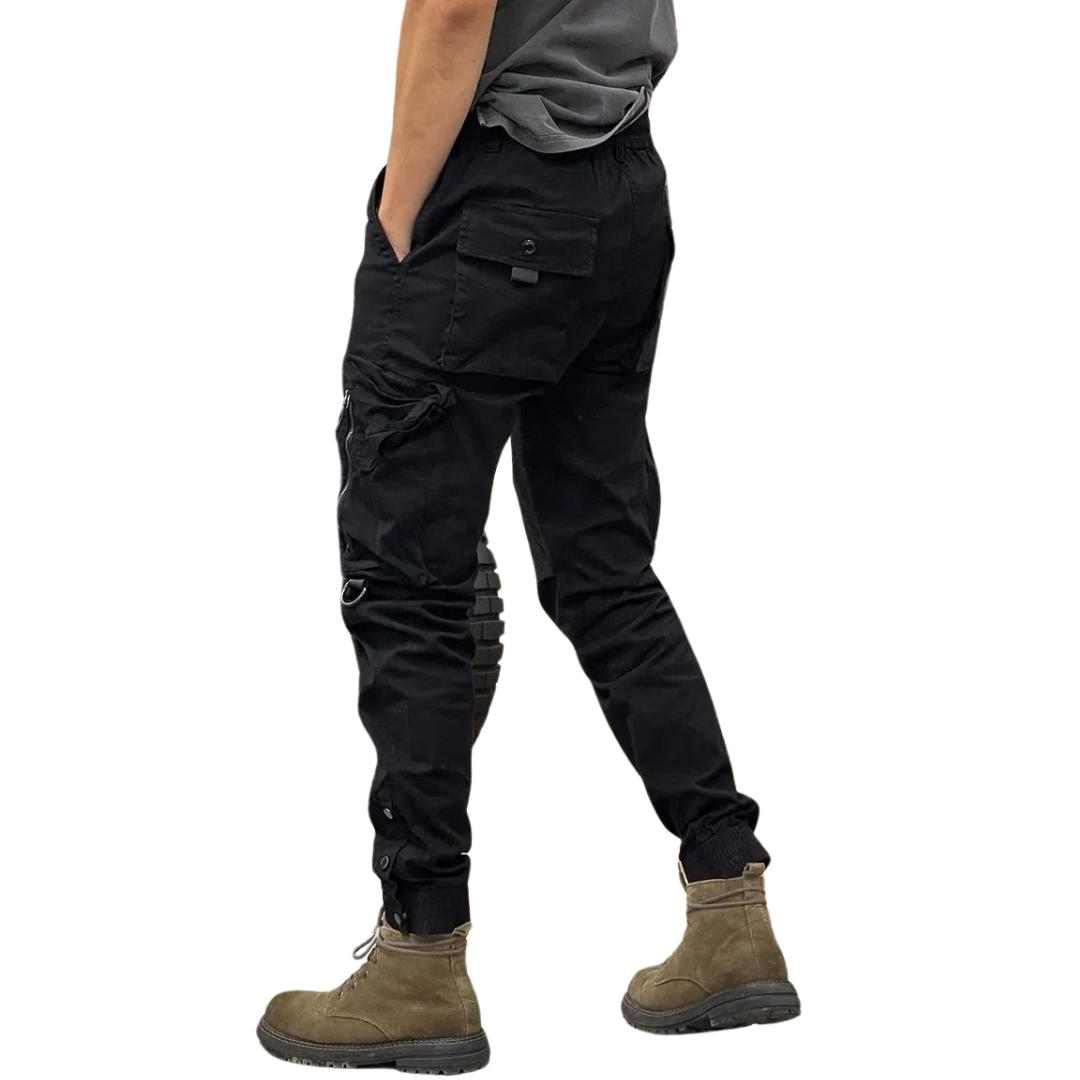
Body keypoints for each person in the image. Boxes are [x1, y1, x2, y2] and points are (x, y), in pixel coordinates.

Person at [257, 1, 799, 1070]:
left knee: (409, 579)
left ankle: (420, 958)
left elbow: (455, 8)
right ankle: (731, 903)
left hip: (497, 192)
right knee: (605, 570)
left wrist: (401, 217)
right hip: (624, 184)